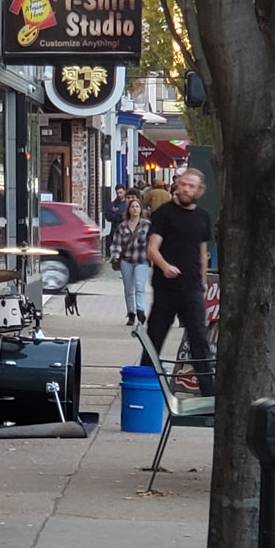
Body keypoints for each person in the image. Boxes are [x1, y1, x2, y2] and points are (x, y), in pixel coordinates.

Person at [141, 168, 215, 396]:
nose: (186, 189)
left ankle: (209, 393)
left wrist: (203, 282)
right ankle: (144, 386)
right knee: (155, 336)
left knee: (199, 340)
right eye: (183, 184)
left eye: (191, 186)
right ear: (177, 185)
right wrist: (165, 267)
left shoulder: (203, 217)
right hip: (166, 289)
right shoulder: (164, 214)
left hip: (192, 288)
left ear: (199, 190)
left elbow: (202, 253)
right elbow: (152, 249)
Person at [110, 196, 151, 326]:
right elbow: (116, 243)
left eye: (137, 206)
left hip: (141, 259)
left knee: (140, 286)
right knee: (129, 289)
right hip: (126, 260)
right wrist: (115, 256)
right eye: (132, 206)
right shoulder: (122, 226)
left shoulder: (147, 226)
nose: (135, 209)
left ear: (141, 209)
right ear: (128, 210)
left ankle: (140, 310)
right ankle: (131, 314)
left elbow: (152, 242)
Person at [104, 184, 127, 257]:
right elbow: (107, 216)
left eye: (121, 192)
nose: (119, 195)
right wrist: (117, 216)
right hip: (115, 230)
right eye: (117, 193)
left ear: (124, 192)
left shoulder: (128, 204)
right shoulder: (113, 204)